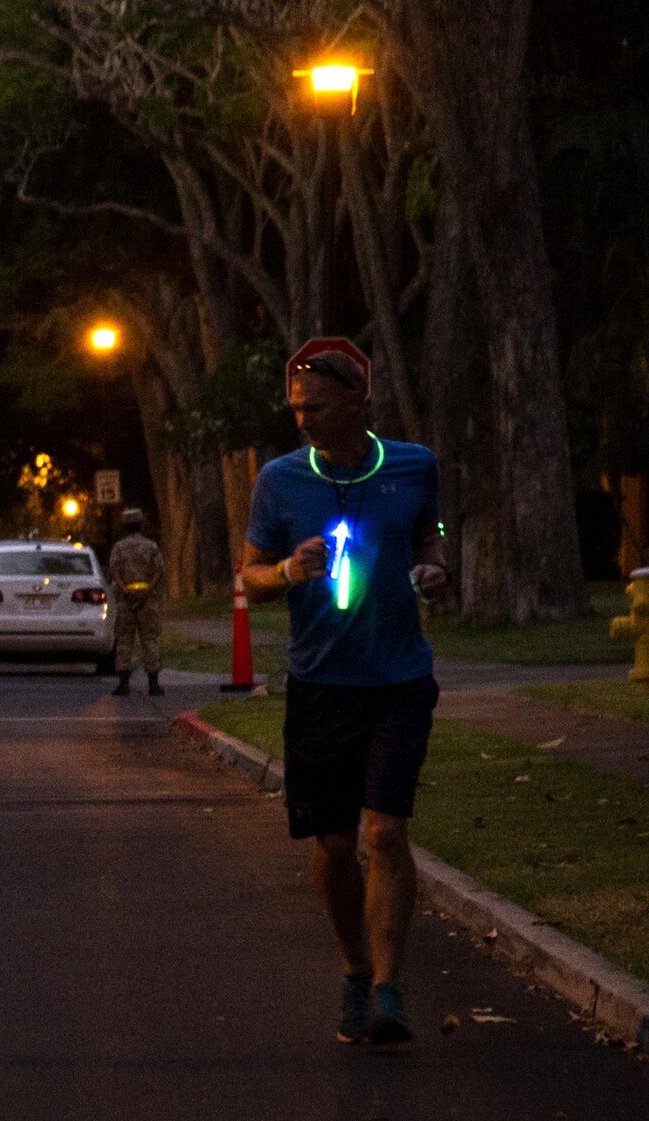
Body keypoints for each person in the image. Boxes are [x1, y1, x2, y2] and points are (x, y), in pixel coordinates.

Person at [240, 346, 449, 1047]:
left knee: (384, 831)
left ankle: (389, 988)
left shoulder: (414, 465)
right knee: (333, 846)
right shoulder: (279, 480)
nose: (303, 420)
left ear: (357, 402)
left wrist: (436, 564)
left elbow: (433, 530)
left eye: (317, 408)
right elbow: (249, 577)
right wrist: (288, 570)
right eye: (296, 409)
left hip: (397, 678)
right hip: (320, 684)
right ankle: (356, 970)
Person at [107, 508, 166, 696]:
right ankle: (153, 684)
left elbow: (114, 572)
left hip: (125, 601)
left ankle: (123, 684)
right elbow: (159, 571)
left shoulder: (119, 548)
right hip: (148, 601)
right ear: (141, 524)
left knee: (124, 639)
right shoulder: (151, 546)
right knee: (150, 639)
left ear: (124, 526)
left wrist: (125, 589)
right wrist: (148, 590)